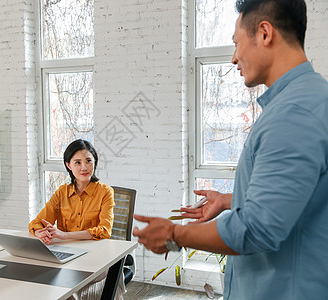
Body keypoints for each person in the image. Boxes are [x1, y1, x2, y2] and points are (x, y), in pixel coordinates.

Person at [133, 0, 328, 299]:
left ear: (265, 33)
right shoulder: (309, 100)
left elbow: (258, 229)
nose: (235, 58)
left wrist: (174, 234)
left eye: (237, 43)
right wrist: (228, 200)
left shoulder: (293, 113)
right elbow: (296, 197)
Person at [29, 139, 117, 299]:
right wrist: (40, 233)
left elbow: (104, 231)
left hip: (96, 256)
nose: (84, 167)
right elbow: (37, 223)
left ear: (95, 162)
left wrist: (64, 235)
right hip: (66, 254)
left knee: (64, 291)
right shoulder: (61, 192)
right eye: (77, 162)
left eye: (88, 161)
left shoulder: (105, 192)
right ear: (68, 165)